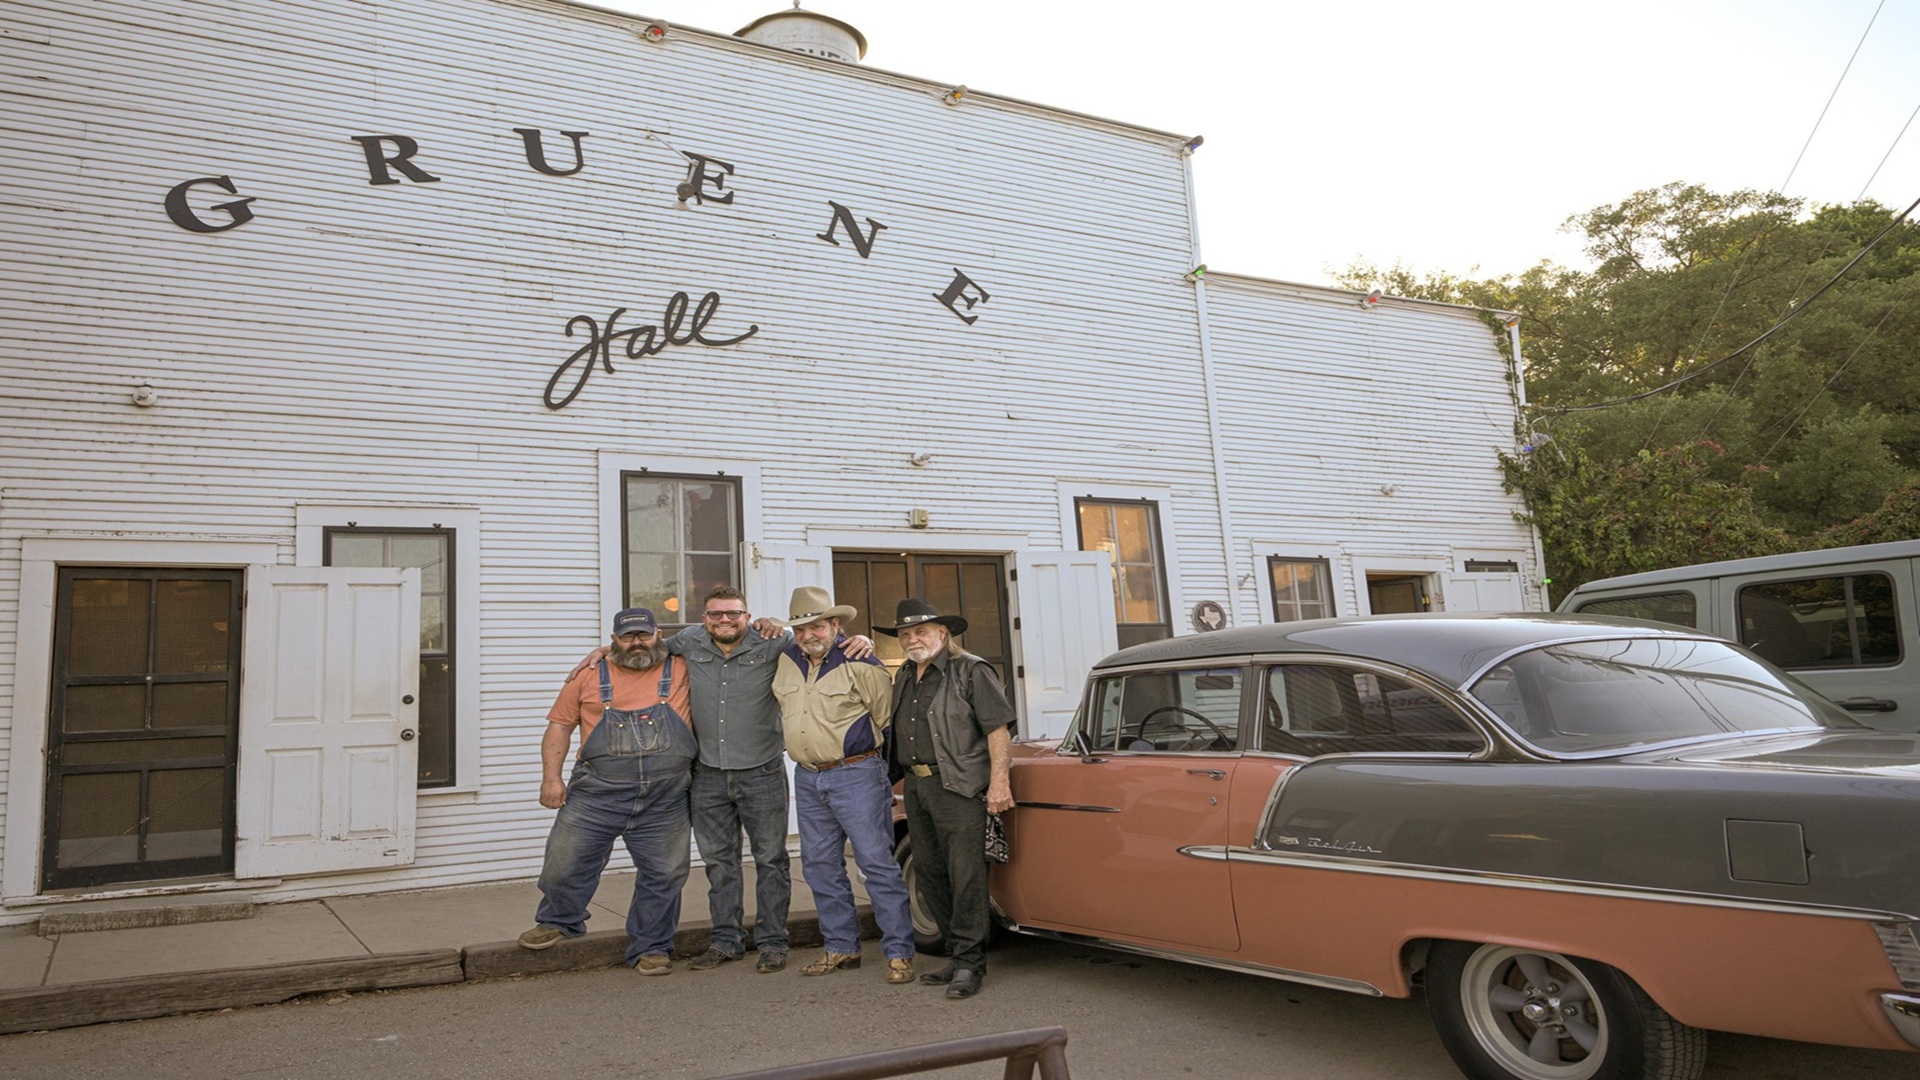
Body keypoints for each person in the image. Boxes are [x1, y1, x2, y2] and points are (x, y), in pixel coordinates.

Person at [564, 585, 872, 975]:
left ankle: (773, 942)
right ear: (704, 618)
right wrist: (602, 652)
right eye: (715, 614)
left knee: (771, 861)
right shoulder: (689, 642)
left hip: (761, 771)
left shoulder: (774, 642)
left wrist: (856, 639)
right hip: (707, 773)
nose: (724, 620)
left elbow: (819, 643)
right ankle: (726, 940)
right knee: (719, 862)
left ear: (747, 615)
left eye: (733, 613)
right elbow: (642, 647)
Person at [518, 607, 696, 975]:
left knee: (665, 874)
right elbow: (559, 728)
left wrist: (767, 624)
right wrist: (551, 778)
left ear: (658, 634)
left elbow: (726, 638)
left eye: (643, 635)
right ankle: (560, 920)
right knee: (563, 864)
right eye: (627, 637)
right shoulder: (588, 675)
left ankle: (651, 946)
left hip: (665, 797)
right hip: (597, 793)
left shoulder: (683, 666)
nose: (636, 643)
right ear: (614, 640)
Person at [769, 585, 917, 985]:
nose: (807, 636)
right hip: (807, 775)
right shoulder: (784, 659)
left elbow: (889, 722)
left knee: (875, 863)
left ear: (835, 624)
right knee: (819, 865)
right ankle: (841, 947)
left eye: (815, 626)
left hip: (857, 774)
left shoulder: (862, 662)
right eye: (799, 629)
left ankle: (899, 952)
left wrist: (884, 778)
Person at [879, 597, 1016, 1000]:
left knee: (966, 876)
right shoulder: (904, 674)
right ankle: (956, 957)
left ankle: (972, 964)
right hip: (917, 787)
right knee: (931, 872)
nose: (912, 639)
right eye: (905, 633)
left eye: (921, 631)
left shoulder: (970, 670)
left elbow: (998, 730)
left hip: (959, 786)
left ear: (943, 633)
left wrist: (999, 782)